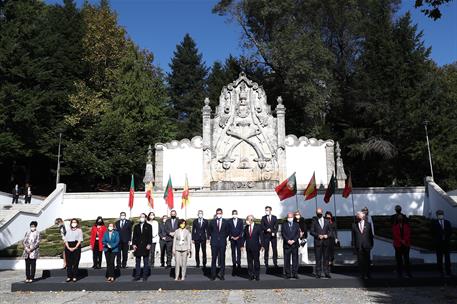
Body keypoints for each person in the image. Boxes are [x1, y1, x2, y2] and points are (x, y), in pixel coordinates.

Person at [208, 208, 229, 280]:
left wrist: (222, 237)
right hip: (214, 243)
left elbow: (227, 232)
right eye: (217, 213)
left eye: (220, 213)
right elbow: (209, 231)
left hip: (222, 243)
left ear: (222, 213)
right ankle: (213, 275)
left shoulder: (225, 222)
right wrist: (214, 237)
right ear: (216, 214)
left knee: (222, 259)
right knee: (214, 259)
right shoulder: (212, 222)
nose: (218, 214)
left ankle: (222, 275)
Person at [352, 211, 374, 279]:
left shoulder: (368, 224)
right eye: (357, 215)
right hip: (359, 246)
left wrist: (371, 245)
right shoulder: (354, 225)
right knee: (360, 261)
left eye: (358, 215)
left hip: (367, 246)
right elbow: (353, 237)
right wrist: (354, 246)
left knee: (367, 261)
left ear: (362, 216)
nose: (357, 216)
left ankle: (368, 274)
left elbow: (370, 236)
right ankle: (362, 275)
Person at [310, 208, 331, 279]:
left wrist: (327, 235)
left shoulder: (327, 221)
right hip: (318, 242)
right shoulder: (314, 222)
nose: (318, 214)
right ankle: (318, 273)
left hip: (326, 242)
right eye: (317, 213)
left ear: (322, 212)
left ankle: (326, 273)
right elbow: (311, 232)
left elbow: (331, 231)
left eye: (319, 212)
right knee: (318, 259)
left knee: (326, 259)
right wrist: (318, 235)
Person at [431, 210, 452, 277]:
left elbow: (450, 231)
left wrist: (446, 235)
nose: (440, 215)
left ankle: (448, 271)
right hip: (439, 243)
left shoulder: (447, 222)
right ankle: (440, 272)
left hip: (446, 243)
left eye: (441, 214)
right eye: (439, 214)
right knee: (439, 258)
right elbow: (432, 232)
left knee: (447, 258)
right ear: (437, 215)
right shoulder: (434, 223)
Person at [132, 213, 153, 281]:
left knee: (145, 262)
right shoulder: (136, 226)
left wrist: (149, 244)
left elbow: (150, 236)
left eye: (143, 217)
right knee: (137, 262)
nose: (142, 218)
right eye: (141, 217)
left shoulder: (149, 226)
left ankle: (145, 276)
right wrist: (134, 244)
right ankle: (137, 276)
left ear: (146, 218)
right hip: (138, 246)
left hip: (145, 246)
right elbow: (134, 236)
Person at [242, 215, 263, 281]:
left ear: (251, 220)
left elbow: (261, 237)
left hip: (256, 247)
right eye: (247, 219)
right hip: (248, 247)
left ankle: (257, 275)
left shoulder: (258, 227)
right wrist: (242, 245)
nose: (247, 221)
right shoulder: (246, 227)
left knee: (256, 262)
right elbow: (244, 237)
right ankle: (251, 275)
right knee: (250, 262)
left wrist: (262, 245)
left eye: (248, 219)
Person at [282, 212, 300, 279]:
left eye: (291, 217)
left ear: (293, 217)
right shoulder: (284, 224)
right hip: (287, 245)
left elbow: (298, 234)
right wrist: (288, 240)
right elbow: (283, 233)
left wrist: (293, 240)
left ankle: (295, 273)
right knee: (287, 260)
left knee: (295, 260)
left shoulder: (296, 224)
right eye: (288, 217)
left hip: (294, 245)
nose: (290, 218)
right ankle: (288, 274)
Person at [228, 209, 243, 275]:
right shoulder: (229, 221)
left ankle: (239, 263)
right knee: (233, 251)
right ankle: (234, 263)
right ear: (232, 214)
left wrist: (238, 236)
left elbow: (242, 230)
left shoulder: (240, 221)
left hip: (239, 239)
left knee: (239, 251)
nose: (234, 215)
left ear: (237, 214)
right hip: (232, 239)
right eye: (233, 214)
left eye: (235, 213)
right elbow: (228, 230)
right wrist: (231, 236)